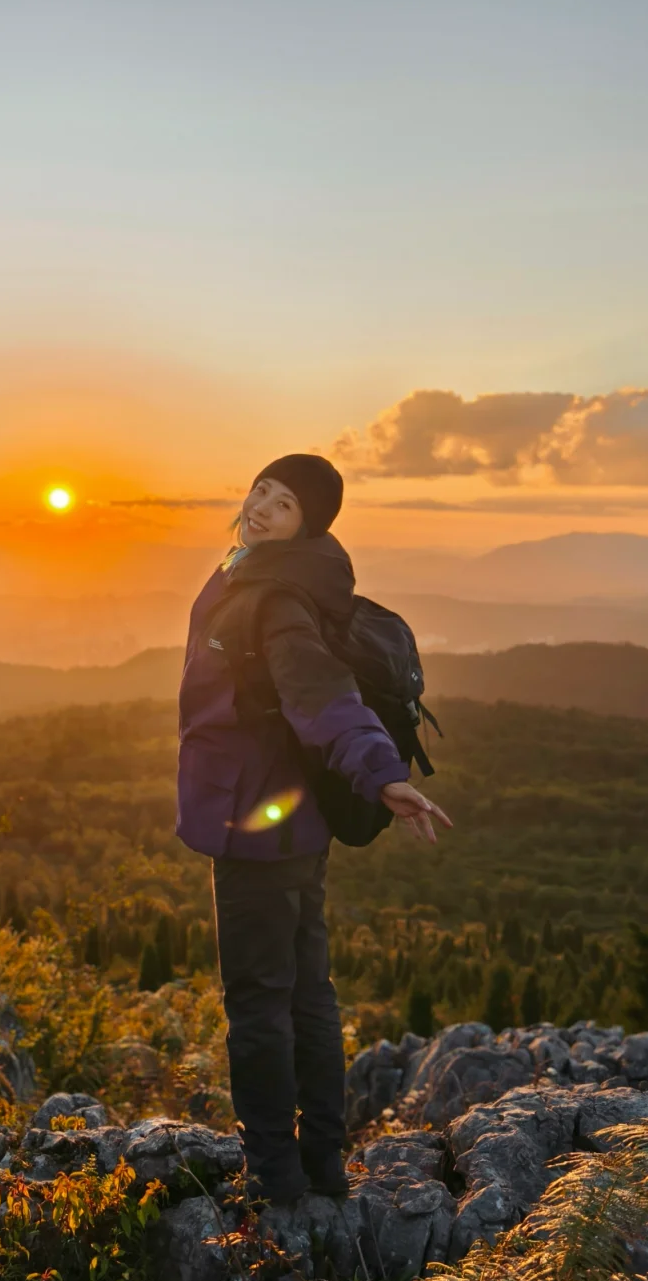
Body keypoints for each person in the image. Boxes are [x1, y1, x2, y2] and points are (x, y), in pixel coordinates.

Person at [176, 453, 451, 1205]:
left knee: (260, 1003)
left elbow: (322, 693)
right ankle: (323, 1162)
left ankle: (275, 1175)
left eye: (285, 503)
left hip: (254, 825)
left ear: (311, 525)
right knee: (308, 995)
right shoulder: (273, 572)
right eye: (261, 488)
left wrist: (382, 772)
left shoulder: (275, 596)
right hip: (298, 822)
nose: (262, 506)